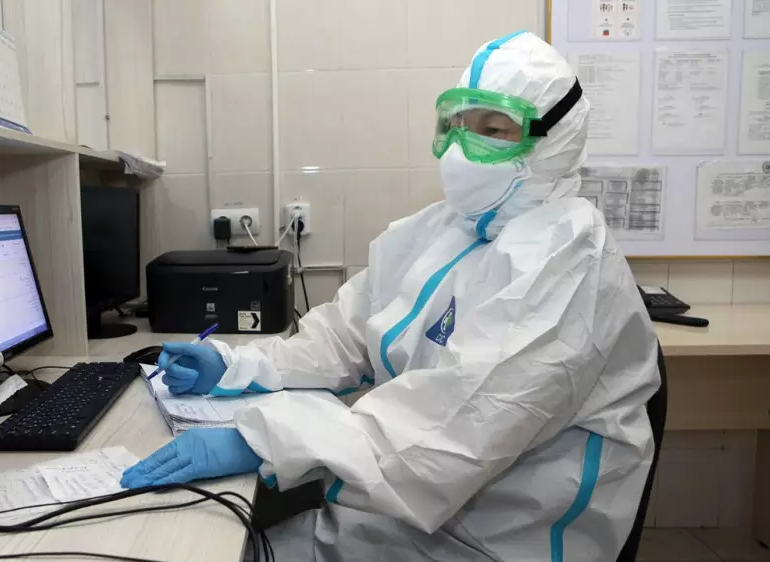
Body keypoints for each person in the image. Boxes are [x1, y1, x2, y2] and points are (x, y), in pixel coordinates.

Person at [122, 31, 660, 561]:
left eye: (494, 130)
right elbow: (345, 335)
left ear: (552, 140)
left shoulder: (569, 259)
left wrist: (259, 441)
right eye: (457, 126)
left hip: (496, 543)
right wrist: (237, 366)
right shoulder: (442, 229)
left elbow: (453, 427)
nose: (461, 150)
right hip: (392, 523)